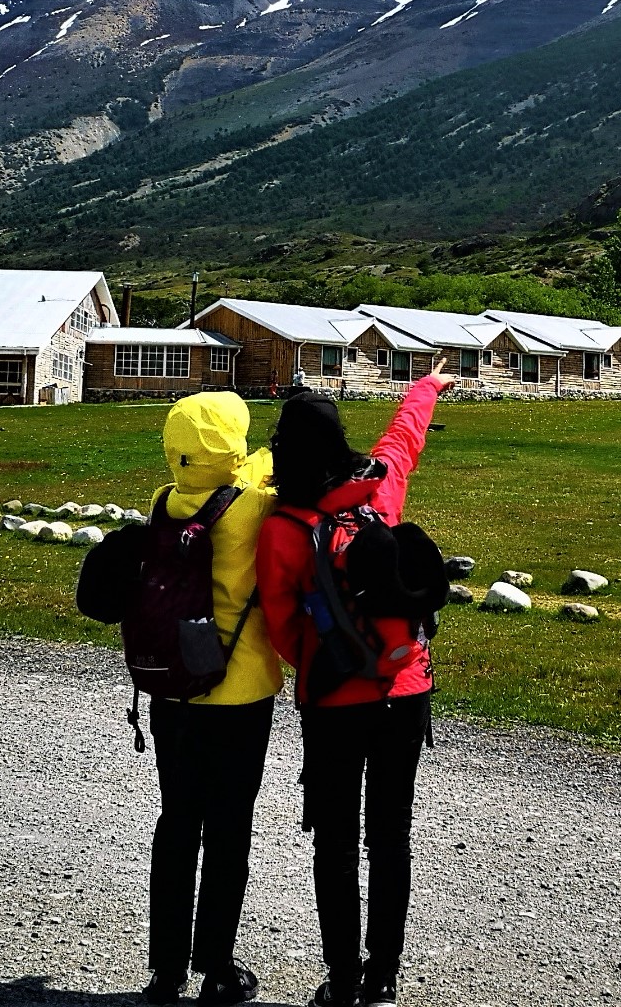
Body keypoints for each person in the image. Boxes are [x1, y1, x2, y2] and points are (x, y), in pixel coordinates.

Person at [257, 372, 454, 1007]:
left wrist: (322, 663)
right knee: (390, 832)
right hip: (406, 687)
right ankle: (384, 979)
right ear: (341, 441)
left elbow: (282, 623)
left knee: (337, 837)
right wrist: (425, 387)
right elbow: (403, 442)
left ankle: (342, 979)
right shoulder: (379, 492)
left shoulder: (283, 525)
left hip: (334, 699)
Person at [141, 392, 282, 1006]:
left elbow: (232, 474)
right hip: (239, 689)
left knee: (177, 823)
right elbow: (255, 477)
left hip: (172, 688)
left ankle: (165, 969)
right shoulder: (257, 508)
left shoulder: (164, 502)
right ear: (232, 448)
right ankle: (217, 965)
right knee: (229, 830)